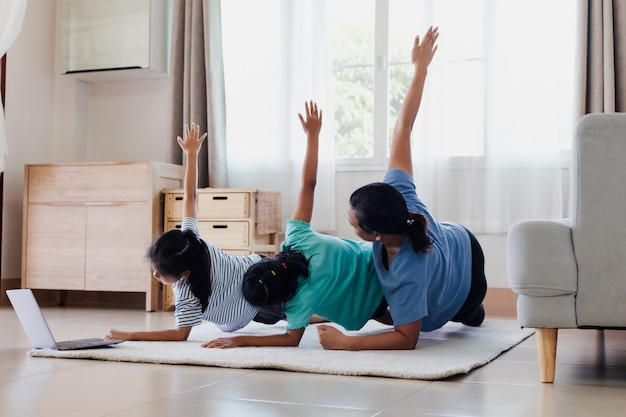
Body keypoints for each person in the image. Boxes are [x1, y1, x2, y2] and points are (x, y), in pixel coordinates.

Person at [317, 26, 487, 351]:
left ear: (376, 234)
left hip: (466, 281)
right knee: (375, 301)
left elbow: (407, 339)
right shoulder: (396, 191)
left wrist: (347, 343)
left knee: (470, 316)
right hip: (457, 241)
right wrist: (420, 69)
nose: (349, 225)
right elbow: (403, 127)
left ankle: (472, 311)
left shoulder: (412, 268)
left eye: (354, 223)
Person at [202, 101, 389, 349]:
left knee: (410, 321)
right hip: (379, 261)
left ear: (282, 302)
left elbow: (290, 339)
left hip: (375, 307)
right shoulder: (297, 237)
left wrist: (239, 339)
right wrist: (313, 136)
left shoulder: (297, 303)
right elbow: (308, 184)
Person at [105, 123, 285, 342]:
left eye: (160, 273)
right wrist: (192, 155)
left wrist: (129, 335)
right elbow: (190, 196)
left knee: (304, 312)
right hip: (260, 269)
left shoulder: (187, 293)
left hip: (259, 300)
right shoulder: (191, 241)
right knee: (303, 304)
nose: (155, 276)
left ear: (184, 274)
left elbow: (179, 334)